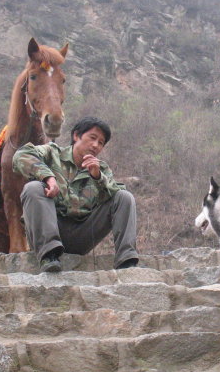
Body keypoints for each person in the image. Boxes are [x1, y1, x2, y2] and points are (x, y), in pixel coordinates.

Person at [13, 116, 139, 273]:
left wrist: (97, 177)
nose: (95, 145)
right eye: (92, 138)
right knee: (33, 188)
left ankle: (126, 262)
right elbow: (22, 155)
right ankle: (49, 255)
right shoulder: (52, 153)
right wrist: (48, 177)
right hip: (49, 229)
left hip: (83, 235)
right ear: (76, 136)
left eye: (101, 143)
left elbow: (117, 197)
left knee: (124, 196)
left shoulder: (101, 170)